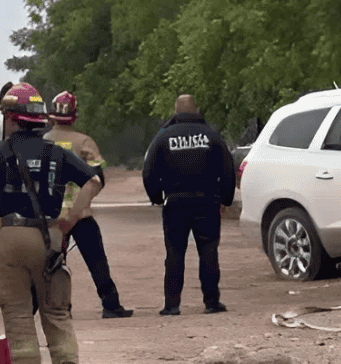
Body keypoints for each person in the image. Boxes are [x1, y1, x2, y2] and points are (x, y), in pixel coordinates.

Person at [0, 82, 104, 364]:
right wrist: (70, 217)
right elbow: (93, 181)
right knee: (56, 311)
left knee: (16, 313)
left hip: (11, 236)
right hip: (50, 237)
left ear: (11, 119)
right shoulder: (56, 152)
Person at [142, 94, 234, 316]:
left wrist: (156, 197)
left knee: (174, 253)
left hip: (175, 203)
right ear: (197, 110)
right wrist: (225, 198)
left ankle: (172, 305)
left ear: (175, 111)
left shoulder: (163, 137)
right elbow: (228, 170)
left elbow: (149, 172)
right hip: (207, 202)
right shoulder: (212, 136)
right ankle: (212, 302)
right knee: (209, 251)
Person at [45, 91, 132, 319]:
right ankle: (111, 305)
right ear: (74, 115)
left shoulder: (42, 142)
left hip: (51, 215)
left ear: (52, 116)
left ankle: (59, 308)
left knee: (53, 262)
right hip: (80, 213)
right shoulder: (84, 142)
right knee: (97, 260)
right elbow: (98, 178)